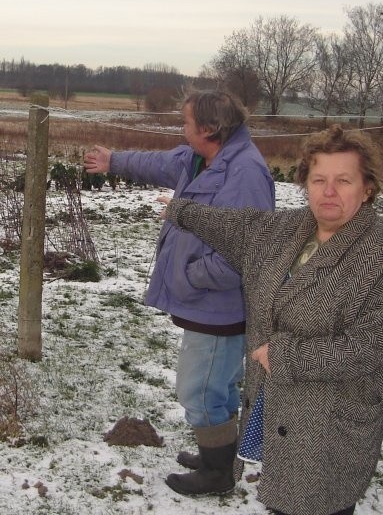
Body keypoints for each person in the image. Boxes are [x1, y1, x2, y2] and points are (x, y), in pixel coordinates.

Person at [162, 124, 383, 515]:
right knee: (286, 498)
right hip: (280, 404)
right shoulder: (289, 229)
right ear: (305, 184)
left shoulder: (380, 257)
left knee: (316, 503)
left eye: (343, 180)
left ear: (366, 188)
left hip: (329, 419)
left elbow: (375, 345)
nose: (329, 192)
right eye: (319, 179)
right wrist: (181, 210)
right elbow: (237, 227)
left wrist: (286, 356)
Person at [83, 90, 275, 496]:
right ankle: (216, 456)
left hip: (218, 307)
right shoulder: (202, 159)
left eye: (186, 123)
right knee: (217, 385)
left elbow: (247, 252)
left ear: (208, 128)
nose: (181, 130)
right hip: (205, 304)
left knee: (199, 388)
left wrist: (190, 276)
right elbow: (159, 162)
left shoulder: (243, 175)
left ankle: (218, 474)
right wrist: (113, 160)